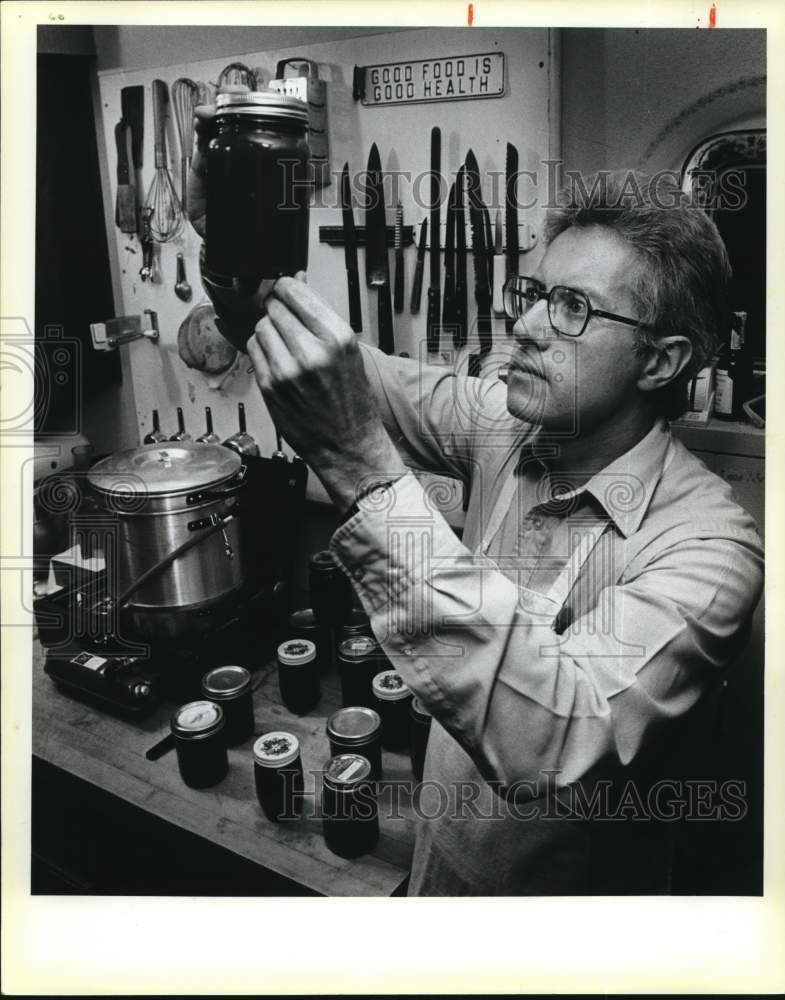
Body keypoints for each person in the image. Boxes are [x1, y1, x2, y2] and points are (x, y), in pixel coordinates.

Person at [189, 124, 764, 893]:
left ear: (660, 360)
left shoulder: (708, 552)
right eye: (533, 295)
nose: (521, 325)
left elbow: (553, 734)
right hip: (440, 868)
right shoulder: (506, 423)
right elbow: (345, 372)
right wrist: (238, 259)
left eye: (571, 309)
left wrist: (360, 467)